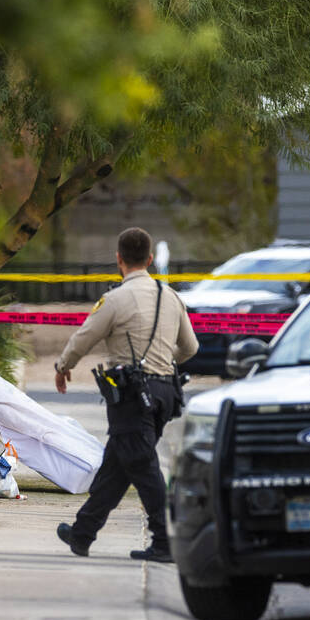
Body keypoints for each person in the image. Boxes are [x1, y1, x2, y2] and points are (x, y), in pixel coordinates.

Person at [53, 227, 199, 562]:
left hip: (132, 395)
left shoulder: (115, 299)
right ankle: (82, 533)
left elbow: (85, 336)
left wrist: (63, 366)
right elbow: (191, 347)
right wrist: (163, 363)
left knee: (143, 466)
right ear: (149, 259)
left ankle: (165, 542)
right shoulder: (170, 296)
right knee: (119, 463)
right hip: (165, 394)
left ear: (119, 260)